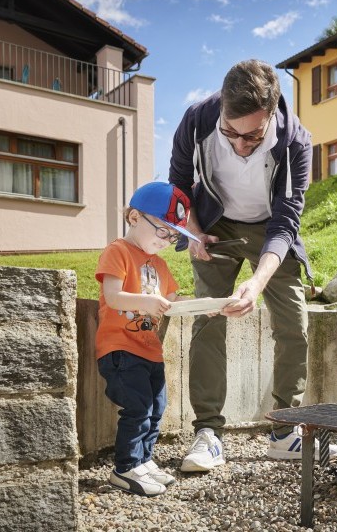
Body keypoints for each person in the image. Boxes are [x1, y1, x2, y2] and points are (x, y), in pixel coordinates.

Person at [169, 59, 337, 472]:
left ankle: (285, 432)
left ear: (273, 114)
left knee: (294, 321)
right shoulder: (196, 121)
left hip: (271, 230)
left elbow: (286, 220)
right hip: (216, 224)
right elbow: (178, 183)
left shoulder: (296, 142)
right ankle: (207, 433)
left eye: (252, 136)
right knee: (209, 319)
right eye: (231, 133)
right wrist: (192, 230)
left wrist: (258, 282)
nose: (240, 144)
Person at [95, 181, 200, 496]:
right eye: (163, 230)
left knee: (156, 408)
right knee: (138, 408)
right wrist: (146, 302)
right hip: (121, 349)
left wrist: (206, 306)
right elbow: (113, 297)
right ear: (134, 217)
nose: (168, 240)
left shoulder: (160, 264)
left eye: (174, 235)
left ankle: (144, 460)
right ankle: (125, 468)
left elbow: (173, 299)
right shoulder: (118, 251)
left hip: (150, 351)